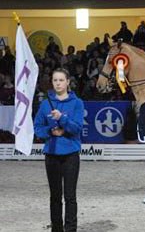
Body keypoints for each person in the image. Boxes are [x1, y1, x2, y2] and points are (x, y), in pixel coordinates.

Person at [34, 68, 84, 232]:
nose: (58, 83)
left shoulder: (77, 103)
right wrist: (50, 132)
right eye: (55, 80)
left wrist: (62, 119)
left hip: (70, 154)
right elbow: (38, 128)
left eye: (61, 80)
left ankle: (70, 229)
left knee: (70, 196)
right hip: (51, 154)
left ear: (68, 82)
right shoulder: (45, 104)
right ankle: (56, 229)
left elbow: (76, 128)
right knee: (55, 196)